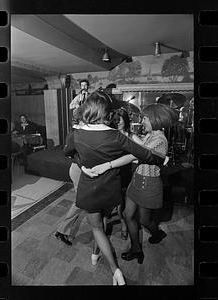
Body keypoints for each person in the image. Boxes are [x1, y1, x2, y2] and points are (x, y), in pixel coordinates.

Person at [64, 91, 166, 285]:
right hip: (110, 190)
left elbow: (67, 152)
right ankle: (97, 254)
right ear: (108, 114)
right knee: (103, 221)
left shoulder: (76, 134)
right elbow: (147, 156)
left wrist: (83, 165)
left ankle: (114, 269)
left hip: (89, 189)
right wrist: (160, 158)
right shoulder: (116, 136)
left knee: (97, 227)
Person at [84, 103, 176, 265]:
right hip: (137, 180)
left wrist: (108, 165)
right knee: (127, 214)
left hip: (149, 184)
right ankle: (136, 249)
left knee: (144, 221)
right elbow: (137, 144)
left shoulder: (160, 139)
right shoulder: (149, 135)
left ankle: (157, 233)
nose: (142, 122)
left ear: (154, 119)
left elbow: (135, 155)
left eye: (145, 118)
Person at [55, 79, 90, 246]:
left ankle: (63, 230)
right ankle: (62, 230)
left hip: (79, 168)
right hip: (77, 169)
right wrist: (81, 161)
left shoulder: (85, 131)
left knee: (80, 201)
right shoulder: (75, 133)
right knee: (79, 202)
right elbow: (67, 152)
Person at [111, 108, 138, 240]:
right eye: (115, 120)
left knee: (127, 202)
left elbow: (143, 151)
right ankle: (123, 222)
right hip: (114, 173)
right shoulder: (111, 135)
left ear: (125, 120)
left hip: (128, 173)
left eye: (120, 119)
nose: (118, 122)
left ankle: (126, 224)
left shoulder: (132, 136)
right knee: (118, 202)